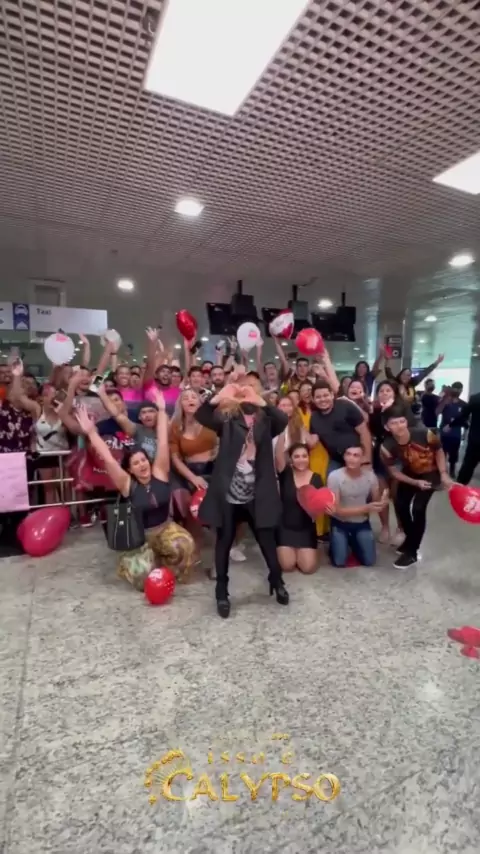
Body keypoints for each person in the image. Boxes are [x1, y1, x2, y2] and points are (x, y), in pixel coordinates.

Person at [195, 379, 289, 618]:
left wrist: (261, 402)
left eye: (251, 387)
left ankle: (277, 580)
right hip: (230, 492)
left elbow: (283, 420)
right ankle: (221, 591)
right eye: (243, 388)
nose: (246, 391)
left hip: (257, 493)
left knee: (266, 540)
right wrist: (218, 398)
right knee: (224, 540)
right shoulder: (228, 419)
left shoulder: (266, 420)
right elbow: (202, 416)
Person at [381, 405, 452, 568]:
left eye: (401, 421)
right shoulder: (387, 446)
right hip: (410, 473)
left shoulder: (424, 433)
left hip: (431, 473)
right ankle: (411, 540)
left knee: (418, 508)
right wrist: (414, 482)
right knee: (400, 504)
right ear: (387, 427)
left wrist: (443, 474)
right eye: (394, 423)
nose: (399, 426)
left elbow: (439, 451)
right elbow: (393, 472)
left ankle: (412, 551)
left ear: (407, 422)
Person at [326, 446, 386, 567]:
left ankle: (352, 541)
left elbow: (376, 502)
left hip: (361, 522)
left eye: (356, 455)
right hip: (340, 522)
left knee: (369, 561)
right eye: (348, 454)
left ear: (363, 458)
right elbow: (337, 510)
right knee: (339, 562)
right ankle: (337, 541)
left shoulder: (370, 476)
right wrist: (366, 508)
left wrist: (383, 499)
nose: (351, 458)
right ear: (344, 457)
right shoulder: (334, 476)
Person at [275, 441, 321, 574]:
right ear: (291, 459)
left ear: (309, 457)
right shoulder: (285, 473)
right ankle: (289, 550)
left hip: (306, 529)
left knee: (308, 568)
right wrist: (282, 430)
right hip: (285, 527)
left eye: (304, 456)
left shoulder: (316, 478)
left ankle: (302, 551)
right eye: (297, 456)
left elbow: (319, 507)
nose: (301, 460)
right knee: (287, 566)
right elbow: (278, 454)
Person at [309, 381, 372, 474]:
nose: (322, 399)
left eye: (325, 395)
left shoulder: (345, 406)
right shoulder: (314, 417)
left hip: (357, 458)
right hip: (336, 461)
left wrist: (367, 459)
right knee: (330, 480)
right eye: (318, 397)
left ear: (332, 395)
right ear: (313, 399)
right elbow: (312, 442)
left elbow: (364, 432)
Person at [444, 390, 480, 484]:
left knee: (467, 467)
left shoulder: (475, 398)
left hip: (476, 441)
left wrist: (451, 425)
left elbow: (462, 416)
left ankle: (460, 487)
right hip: (475, 440)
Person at [437, 382, 466, 478]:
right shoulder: (446, 402)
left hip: (456, 434)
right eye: (455, 388)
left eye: (459, 389)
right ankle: (441, 472)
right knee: (442, 453)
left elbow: (465, 420)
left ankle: (452, 470)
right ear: (452, 389)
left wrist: (465, 433)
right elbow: (437, 412)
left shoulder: (463, 404)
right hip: (444, 433)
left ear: (461, 390)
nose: (457, 391)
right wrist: (444, 399)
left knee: (454, 455)